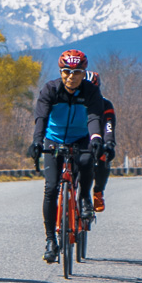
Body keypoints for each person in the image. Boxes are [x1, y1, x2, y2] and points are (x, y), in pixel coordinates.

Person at [27, 50, 105, 263]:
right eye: (66, 72)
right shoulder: (51, 89)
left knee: (88, 160)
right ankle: (51, 240)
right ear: (60, 72)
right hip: (54, 140)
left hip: (80, 138)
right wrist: (37, 142)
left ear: (84, 72)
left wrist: (96, 138)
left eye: (77, 72)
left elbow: (94, 117)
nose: (71, 76)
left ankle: (85, 197)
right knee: (51, 188)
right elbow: (41, 117)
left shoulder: (90, 91)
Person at [85, 71, 117, 211]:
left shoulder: (105, 104)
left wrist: (109, 142)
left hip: (98, 140)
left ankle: (98, 192)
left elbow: (108, 125)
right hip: (78, 138)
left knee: (104, 157)